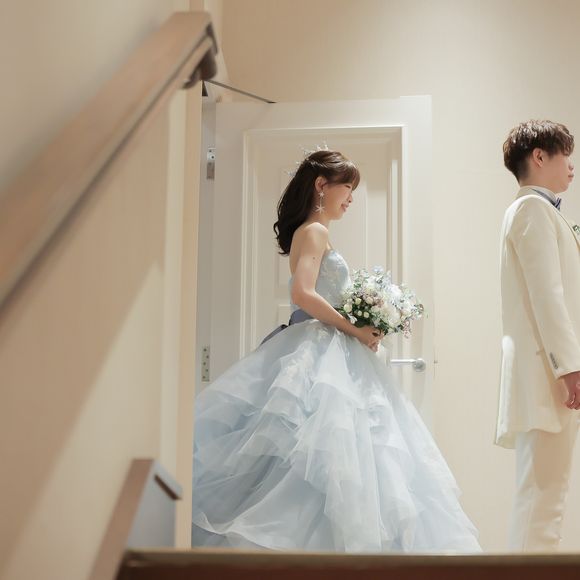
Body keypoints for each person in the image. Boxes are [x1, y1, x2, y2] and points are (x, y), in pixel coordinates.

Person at [191, 150, 480, 552]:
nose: (351, 198)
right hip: (320, 345)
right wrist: (353, 328)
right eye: (348, 188)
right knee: (332, 455)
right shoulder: (315, 231)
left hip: (322, 343)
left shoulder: (313, 231)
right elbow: (302, 293)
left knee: (325, 456)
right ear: (321, 185)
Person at [497, 120, 580, 551]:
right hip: (548, 375)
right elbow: (547, 295)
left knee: (546, 497)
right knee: (542, 499)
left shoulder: (539, 211)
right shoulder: (532, 209)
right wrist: (570, 368)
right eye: (566, 155)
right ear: (540, 156)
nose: (572, 166)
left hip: (549, 373)